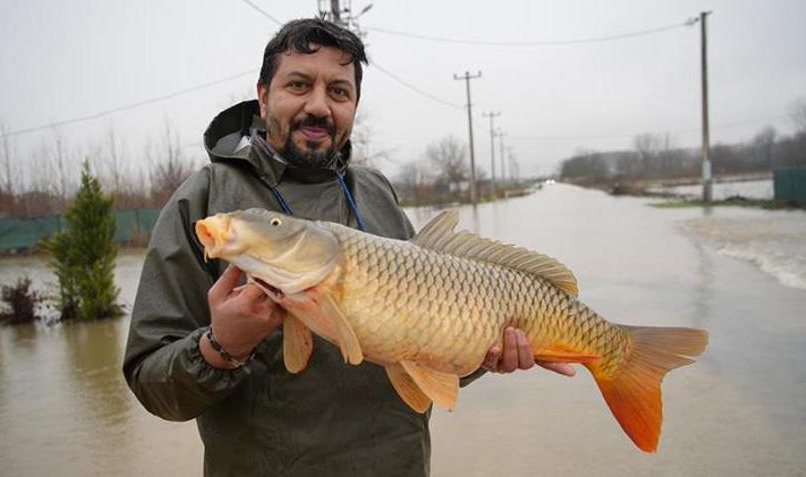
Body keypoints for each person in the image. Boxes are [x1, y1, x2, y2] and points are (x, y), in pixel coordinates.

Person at [123, 18, 574, 477]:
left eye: (339, 92)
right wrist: (220, 348)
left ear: (354, 105)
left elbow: (426, 347)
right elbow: (151, 384)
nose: (319, 106)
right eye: (299, 85)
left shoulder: (375, 192)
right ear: (263, 95)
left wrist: (483, 353)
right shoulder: (206, 202)